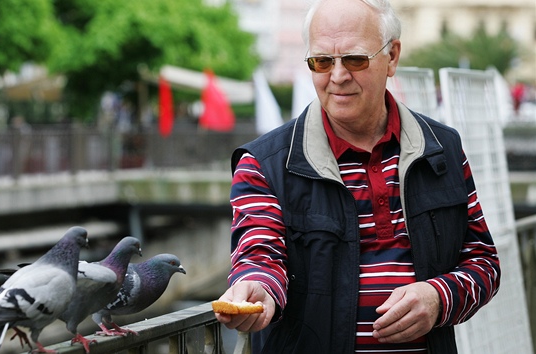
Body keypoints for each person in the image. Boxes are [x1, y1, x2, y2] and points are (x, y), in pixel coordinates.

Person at [214, 0, 501, 353]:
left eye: (355, 59)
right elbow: (259, 258)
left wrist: (438, 298)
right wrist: (257, 289)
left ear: (392, 57)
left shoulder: (442, 149)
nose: (337, 76)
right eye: (322, 61)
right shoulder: (264, 163)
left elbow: (483, 262)